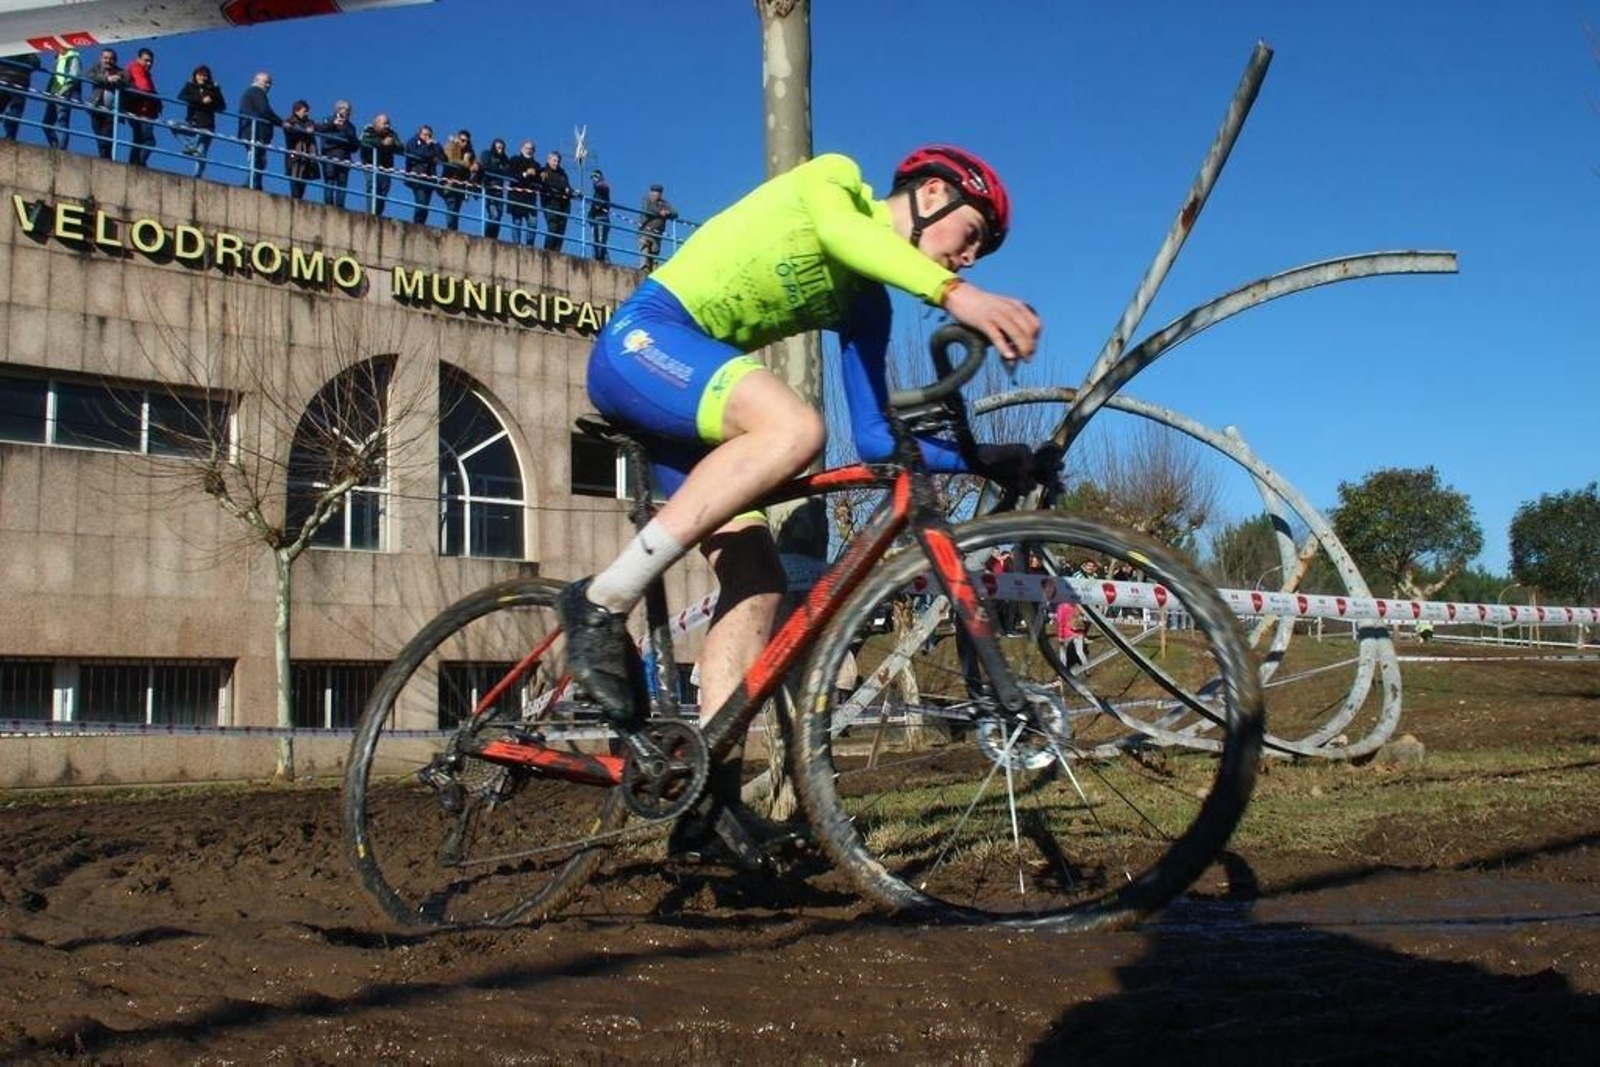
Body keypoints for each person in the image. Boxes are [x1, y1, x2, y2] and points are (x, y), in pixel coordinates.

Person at [554, 146, 1046, 854]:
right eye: (969, 236)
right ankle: (600, 602)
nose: (967, 259)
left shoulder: (866, 302)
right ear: (932, 193)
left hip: (695, 407)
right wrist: (953, 296)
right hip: (646, 343)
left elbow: (879, 439)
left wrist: (982, 457)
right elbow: (849, 236)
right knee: (796, 429)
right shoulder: (834, 182)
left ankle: (705, 803)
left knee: (757, 582)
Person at [236, 71, 282, 191]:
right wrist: (281, 122)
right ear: (256, 80)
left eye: (270, 83)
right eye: (266, 82)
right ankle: (251, 184)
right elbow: (264, 111)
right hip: (255, 131)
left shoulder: (250, 93)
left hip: (252, 130)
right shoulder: (256, 92)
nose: (268, 85)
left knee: (259, 159)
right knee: (257, 159)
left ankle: (256, 184)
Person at [176, 64, 224, 177]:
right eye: (199, 75)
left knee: (201, 153)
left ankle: (197, 176)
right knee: (172, 124)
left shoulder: (213, 89)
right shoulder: (190, 86)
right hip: (192, 123)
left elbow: (222, 106)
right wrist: (200, 99)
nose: (202, 77)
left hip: (206, 125)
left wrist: (211, 100)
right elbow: (181, 96)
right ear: (195, 76)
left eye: (204, 76)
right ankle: (190, 146)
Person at [85, 49, 127, 159]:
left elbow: (126, 82)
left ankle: (107, 161)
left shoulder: (121, 72)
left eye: (111, 58)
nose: (108, 61)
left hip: (111, 112)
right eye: (105, 58)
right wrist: (106, 78)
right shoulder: (97, 67)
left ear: (115, 60)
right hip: (96, 108)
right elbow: (88, 75)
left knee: (106, 138)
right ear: (101, 58)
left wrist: (118, 79)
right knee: (99, 138)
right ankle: (105, 159)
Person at [317, 100, 358, 208]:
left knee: (342, 184)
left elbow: (355, 146)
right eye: (346, 110)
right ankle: (328, 206)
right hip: (330, 156)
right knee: (329, 181)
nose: (348, 112)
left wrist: (346, 139)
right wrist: (344, 139)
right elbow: (326, 138)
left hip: (345, 158)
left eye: (349, 110)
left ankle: (340, 207)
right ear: (338, 109)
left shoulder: (351, 127)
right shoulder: (329, 120)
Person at [122, 48, 159, 167]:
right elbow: (144, 87)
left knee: (138, 140)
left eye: (150, 62)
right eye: (146, 60)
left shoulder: (145, 73)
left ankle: (134, 163)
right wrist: (154, 98)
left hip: (140, 110)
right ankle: (139, 163)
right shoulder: (136, 68)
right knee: (149, 140)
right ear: (138, 59)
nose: (149, 64)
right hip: (141, 111)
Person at [359, 112, 401, 214]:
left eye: (388, 123)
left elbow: (400, 147)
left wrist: (392, 143)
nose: (387, 126)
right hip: (370, 165)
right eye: (384, 123)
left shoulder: (391, 133)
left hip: (386, 168)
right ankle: (371, 213)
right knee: (372, 187)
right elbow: (363, 141)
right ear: (376, 123)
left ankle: (378, 214)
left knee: (383, 192)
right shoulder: (368, 130)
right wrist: (381, 143)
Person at [41, 46, 81, 150]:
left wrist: (63, 91)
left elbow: (74, 75)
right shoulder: (58, 59)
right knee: (46, 123)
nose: (59, 48)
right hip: (53, 94)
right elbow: (54, 77)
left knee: (62, 122)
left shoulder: (73, 57)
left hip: (64, 94)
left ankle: (62, 149)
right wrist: (48, 91)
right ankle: (55, 147)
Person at [403, 124, 442, 224]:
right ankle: (417, 224)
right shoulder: (412, 142)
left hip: (429, 179)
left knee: (426, 206)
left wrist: (436, 146)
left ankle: (421, 224)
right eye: (425, 135)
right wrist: (427, 147)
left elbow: (442, 157)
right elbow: (417, 153)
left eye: (429, 135)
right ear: (419, 134)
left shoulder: (433, 145)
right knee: (421, 202)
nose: (427, 137)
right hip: (417, 177)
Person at [438, 128, 475, 231]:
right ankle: (451, 230)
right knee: (452, 206)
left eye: (467, 141)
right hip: (450, 182)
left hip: (461, 185)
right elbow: (451, 160)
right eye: (463, 140)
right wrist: (465, 162)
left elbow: (473, 166)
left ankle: (453, 230)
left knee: (456, 209)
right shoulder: (451, 145)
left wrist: (470, 163)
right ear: (458, 139)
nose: (465, 143)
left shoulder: (469, 151)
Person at [0, 52, 42, 141]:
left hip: (3, 82)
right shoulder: (30, 55)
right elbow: (36, 64)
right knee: (15, 111)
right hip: (20, 85)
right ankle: (10, 136)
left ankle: (10, 136)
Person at [506, 140, 541, 245]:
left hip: (530, 198)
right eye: (527, 148)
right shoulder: (514, 159)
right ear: (522, 148)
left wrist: (537, 175)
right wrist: (525, 174)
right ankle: (516, 245)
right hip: (516, 196)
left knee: (533, 223)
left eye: (531, 149)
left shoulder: (537, 165)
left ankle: (529, 245)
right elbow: (511, 174)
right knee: (517, 222)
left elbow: (539, 182)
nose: (529, 150)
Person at [283, 99, 319, 200]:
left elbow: (320, 127)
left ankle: (299, 200)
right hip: (294, 155)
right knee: (295, 179)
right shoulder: (289, 122)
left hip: (307, 156)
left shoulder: (309, 122)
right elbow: (290, 132)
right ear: (296, 111)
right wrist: (305, 131)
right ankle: (295, 200)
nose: (307, 113)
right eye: (305, 111)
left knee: (303, 180)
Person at [478, 137, 512, 239]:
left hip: (499, 191)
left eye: (502, 148)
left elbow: (507, 172)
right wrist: (499, 169)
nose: (500, 150)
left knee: (499, 216)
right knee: (494, 215)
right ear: (494, 147)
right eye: (498, 148)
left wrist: (498, 170)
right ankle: (487, 237)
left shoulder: (505, 159)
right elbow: (486, 166)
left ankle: (494, 238)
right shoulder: (487, 154)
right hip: (489, 188)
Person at [637, 183, 676, 272]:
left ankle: (654, 270)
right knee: (645, 248)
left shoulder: (664, 203)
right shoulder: (646, 199)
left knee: (655, 253)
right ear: (651, 192)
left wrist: (668, 213)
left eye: (658, 192)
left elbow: (675, 213)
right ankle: (644, 269)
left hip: (657, 233)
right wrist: (659, 212)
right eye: (654, 192)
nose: (656, 194)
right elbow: (647, 210)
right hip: (645, 231)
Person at [540, 149, 572, 252]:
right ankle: (547, 251)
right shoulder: (544, 171)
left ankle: (557, 252)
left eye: (558, 161)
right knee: (553, 227)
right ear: (549, 159)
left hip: (564, 206)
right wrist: (562, 188)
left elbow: (567, 187)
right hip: (550, 203)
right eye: (554, 160)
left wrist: (570, 190)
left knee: (561, 231)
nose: (556, 163)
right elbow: (547, 184)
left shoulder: (563, 174)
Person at [1055, 598, 1088, 676]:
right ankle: (1087, 668)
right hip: (1078, 632)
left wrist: (1060, 636)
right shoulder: (1077, 605)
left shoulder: (1061, 607)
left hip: (1066, 634)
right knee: (1080, 652)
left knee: (1063, 653)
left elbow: (1060, 623)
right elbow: (1083, 619)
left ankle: (1063, 671)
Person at [588, 168, 612, 261]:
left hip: (602, 218)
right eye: (593, 177)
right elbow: (594, 206)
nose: (594, 179)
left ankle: (603, 261)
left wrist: (598, 184)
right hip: (596, 218)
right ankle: (599, 260)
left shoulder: (602, 188)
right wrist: (590, 215)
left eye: (596, 177)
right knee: (596, 241)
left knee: (600, 242)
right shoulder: (596, 193)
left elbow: (605, 188)